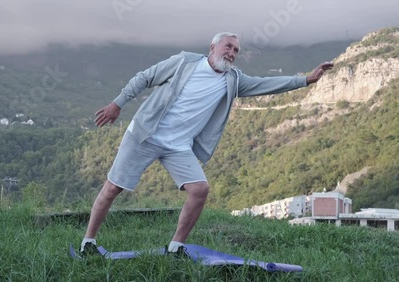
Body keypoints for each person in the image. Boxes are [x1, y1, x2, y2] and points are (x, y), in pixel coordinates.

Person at [80, 32, 333, 257]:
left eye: (236, 50)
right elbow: (145, 78)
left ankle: (176, 247)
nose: (232, 53)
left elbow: (265, 84)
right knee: (113, 187)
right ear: (212, 47)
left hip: (179, 146)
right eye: (228, 47)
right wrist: (117, 104)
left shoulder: (233, 80)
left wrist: (307, 80)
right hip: (145, 134)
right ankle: (88, 242)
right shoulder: (184, 62)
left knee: (200, 189)